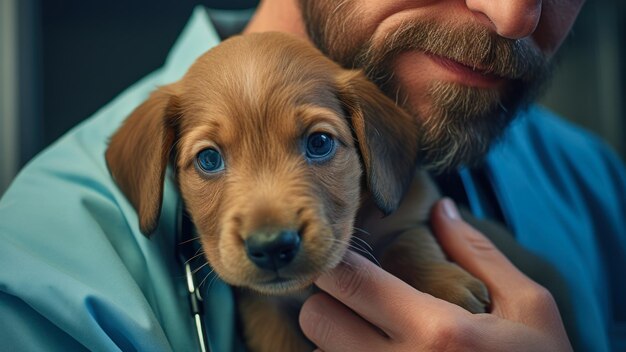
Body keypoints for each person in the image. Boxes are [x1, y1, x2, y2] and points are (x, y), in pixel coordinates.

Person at [0, 0, 624, 351]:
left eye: (321, 143)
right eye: (208, 159)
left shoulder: (599, 182)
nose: (512, 12)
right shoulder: (36, 275)